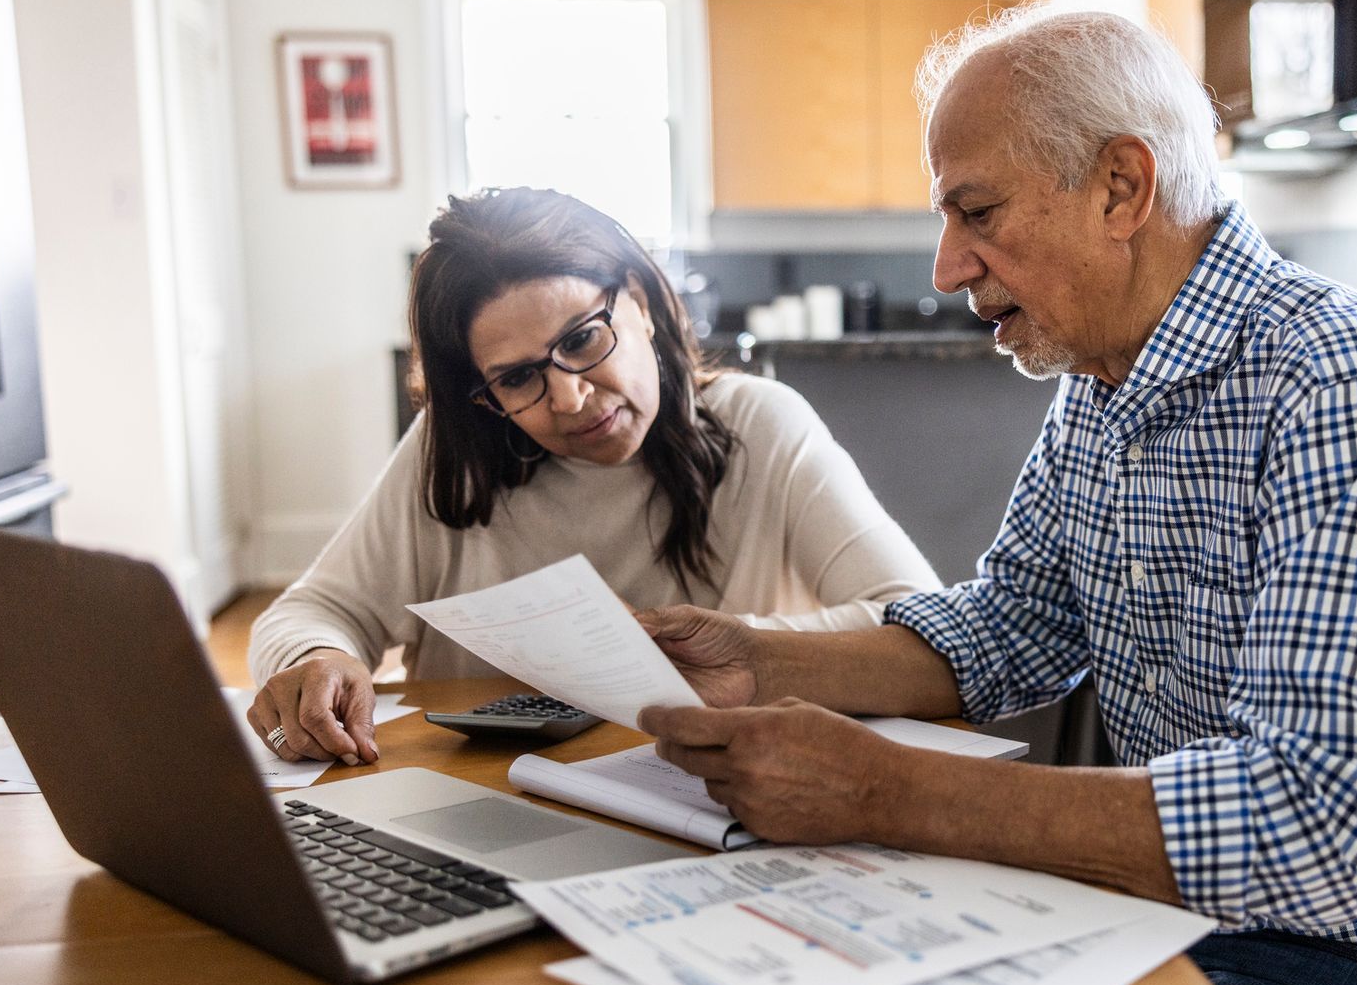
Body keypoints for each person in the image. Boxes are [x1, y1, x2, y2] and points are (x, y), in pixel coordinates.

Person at [633, 9, 1357, 985]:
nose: (945, 266)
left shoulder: (1341, 389)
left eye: (977, 212)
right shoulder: (1104, 384)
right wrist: (762, 659)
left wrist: (888, 792)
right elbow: (1013, 627)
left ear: (1122, 187)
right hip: (1196, 923)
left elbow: (1319, 829)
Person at [245, 187, 937, 768]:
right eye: (519, 378)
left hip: (701, 794)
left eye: (581, 339)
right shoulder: (454, 453)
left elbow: (923, 622)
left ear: (638, 299)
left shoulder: (761, 425)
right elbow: (310, 613)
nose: (571, 398)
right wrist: (316, 657)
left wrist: (741, 645)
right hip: (484, 802)